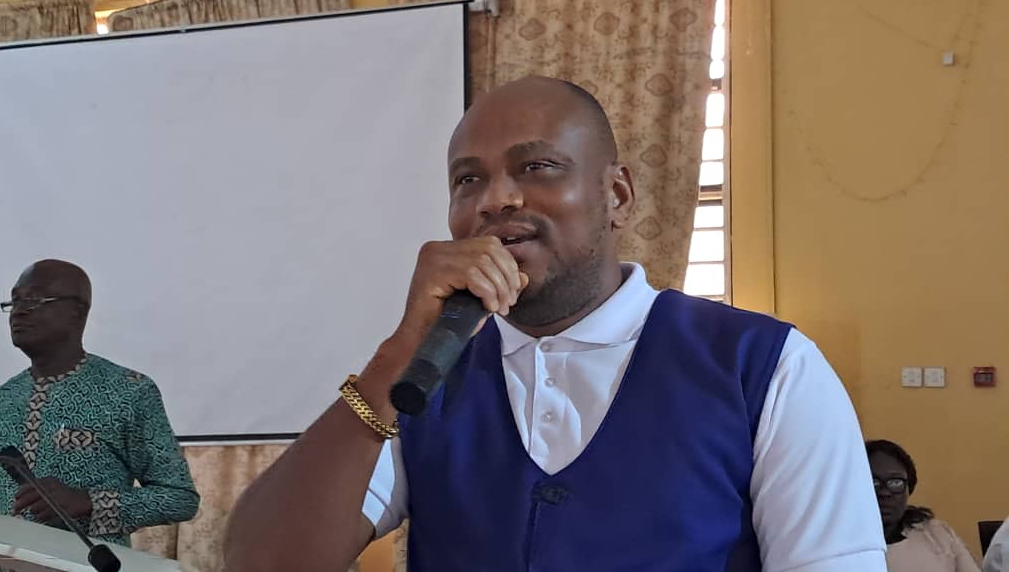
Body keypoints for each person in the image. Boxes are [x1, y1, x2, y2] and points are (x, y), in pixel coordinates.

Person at [224, 76, 886, 571]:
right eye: (467, 181)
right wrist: (397, 354)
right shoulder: (425, 380)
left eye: (536, 167)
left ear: (616, 196)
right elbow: (262, 563)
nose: (496, 199)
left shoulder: (764, 367)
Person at [0, 259, 199, 546]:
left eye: (34, 299)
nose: (19, 311)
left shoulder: (129, 392)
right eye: (15, 301)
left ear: (77, 311)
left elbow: (179, 498)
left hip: (86, 563)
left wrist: (90, 502)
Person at [867, 439, 979, 572]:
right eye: (873, 482)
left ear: (909, 488)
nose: (884, 493)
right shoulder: (846, 545)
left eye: (896, 482)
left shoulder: (937, 533)